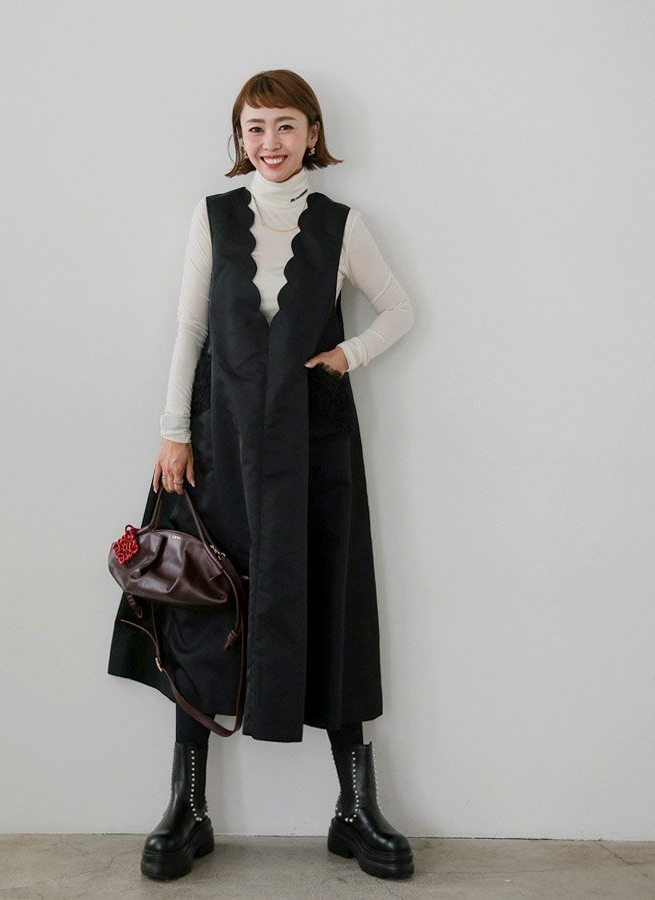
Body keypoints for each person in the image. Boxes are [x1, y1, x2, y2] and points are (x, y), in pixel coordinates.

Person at [107, 68, 416, 881]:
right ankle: (188, 807)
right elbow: (190, 327)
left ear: (312, 134)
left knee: (332, 601)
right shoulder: (214, 217)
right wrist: (173, 433)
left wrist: (345, 356)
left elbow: (400, 310)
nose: (269, 142)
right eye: (254, 127)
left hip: (315, 448)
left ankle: (355, 809)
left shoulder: (343, 226)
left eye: (284, 126)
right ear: (239, 139)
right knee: (202, 606)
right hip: (220, 443)